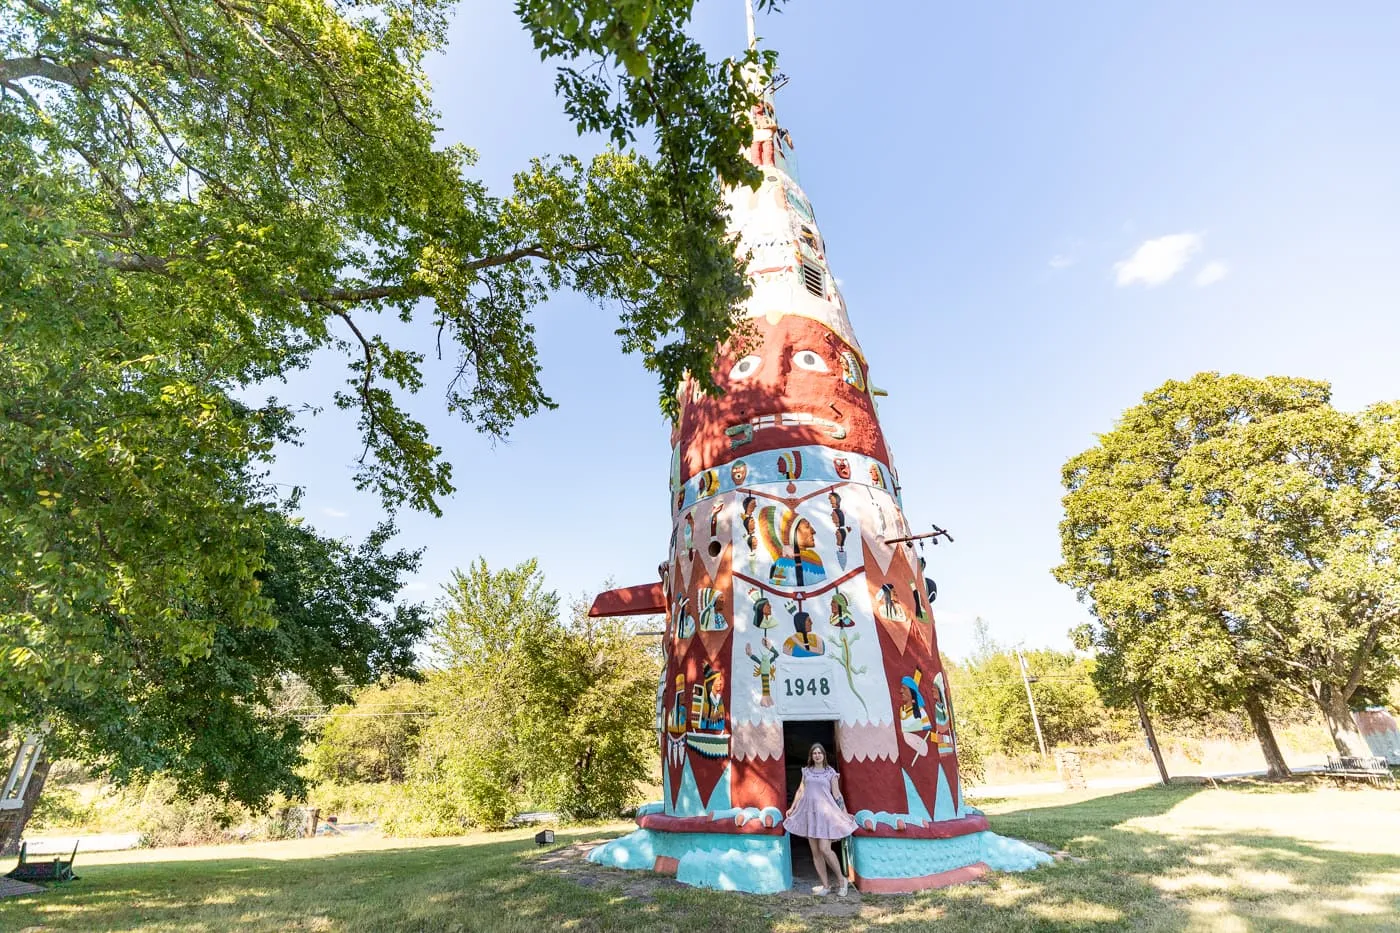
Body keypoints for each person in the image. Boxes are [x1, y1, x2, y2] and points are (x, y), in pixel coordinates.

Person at [785, 743, 857, 896]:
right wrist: (792, 807)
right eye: (814, 753)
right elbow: (800, 790)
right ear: (811, 756)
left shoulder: (830, 773)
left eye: (819, 753)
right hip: (810, 814)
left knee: (825, 849)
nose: (817, 755)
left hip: (825, 814)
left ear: (824, 755)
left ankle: (842, 880)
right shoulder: (807, 772)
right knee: (816, 852)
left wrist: (844, 812)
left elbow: (837, 794)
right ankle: (825, 886)